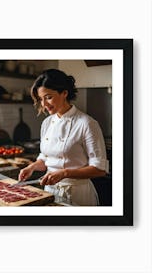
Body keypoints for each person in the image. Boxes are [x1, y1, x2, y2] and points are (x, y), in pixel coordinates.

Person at [18, 69, 108, 206]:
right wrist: (32, 167)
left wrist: (65, 173)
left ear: (64, 93)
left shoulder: (86, 123)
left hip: (78, 194)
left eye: (48, 97)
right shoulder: (47, 123)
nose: (44, 104)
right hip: (50, 192)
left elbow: (100, 169)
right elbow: (46, 158)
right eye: (41, 99)